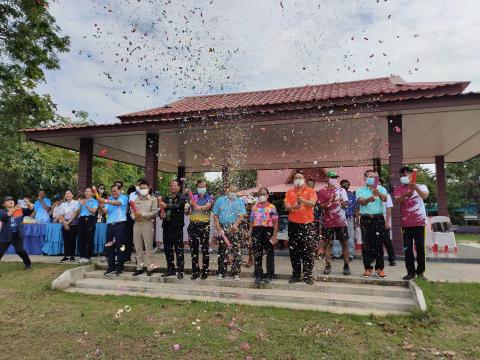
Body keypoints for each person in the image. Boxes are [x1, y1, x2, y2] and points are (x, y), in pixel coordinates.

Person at [394, 166, 429, 280]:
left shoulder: (421, 186)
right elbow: (397, 200)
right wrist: (405, 195)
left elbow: (425, 196)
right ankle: (410, 272)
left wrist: (416, 189)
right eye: (402, 176)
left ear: (412, 175)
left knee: (420, 248)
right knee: (407, 249)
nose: (403, 177)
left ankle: (420, 272)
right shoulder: (398, 188)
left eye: (406, 175)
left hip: (419, 223)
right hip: (406, 224)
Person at [284, 172, 317, 285]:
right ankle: (296, 274)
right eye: (296, 178)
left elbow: (313, 204)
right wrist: (295, 206)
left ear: (304, 179)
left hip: (307, 224)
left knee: (308, 250)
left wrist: (303, 201)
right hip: (293, 224)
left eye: (300, 178)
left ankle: (308, 275)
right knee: (294, 251)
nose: (298, 179)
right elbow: (287, 207)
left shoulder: (310, 191)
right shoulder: (289, 192)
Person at [356, 170, 388, 278]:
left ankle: (380, 269)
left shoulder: (381, 188)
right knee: (366, 244)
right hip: (366, 219)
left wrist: (378, 193)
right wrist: (369, 199)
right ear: (365, 178)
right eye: (370, 176)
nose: (372, 178)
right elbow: (361, 201)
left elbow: (385, 199)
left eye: (374, 177)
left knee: (379, 243)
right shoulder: (360, 190)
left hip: (378, 218)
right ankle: (368, 268)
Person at [317, 171, 351, 276]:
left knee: (344, 243)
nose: (334, 179)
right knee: (328, 245)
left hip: (341, 221)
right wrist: (330, 202)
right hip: (328, 222)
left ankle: (346, 265)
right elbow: (321, 207)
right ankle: (328, 265)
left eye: (335, 177)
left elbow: (346, 205)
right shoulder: (321, 191)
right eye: (332, 177)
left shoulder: (341, 190)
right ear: (327, 178)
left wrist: (342, 202)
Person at [213, 185, 246, 280]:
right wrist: (219, 229)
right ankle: (221, 272)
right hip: (222, 226)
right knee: (222, 250)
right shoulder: (220, 200)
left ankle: (236, 273)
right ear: (227, 190)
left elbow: (242, 215)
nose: (233, 193)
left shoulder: (239, 201)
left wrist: (235, 225)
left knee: (236, 250)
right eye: (231, 191)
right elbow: (215, 215)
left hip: (235, 227)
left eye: (235, 192)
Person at [249, 188, 278, 284]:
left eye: (264, 194)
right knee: (257, 253)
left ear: (268, 195)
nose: (262, 195)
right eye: (260, 194)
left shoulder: (272, 207)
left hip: (268, 231)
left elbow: (276, 223)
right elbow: (251, 222)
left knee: (269, 254)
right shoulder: (254, 207)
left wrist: (274, 236)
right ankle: (258, 274)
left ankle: (269, 274)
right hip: (256, 230)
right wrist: (250, 237)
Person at [158, 180, 187, 279]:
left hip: (177, 227)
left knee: (179, 249)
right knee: (167, 249)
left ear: (179, 187)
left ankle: (180, 270)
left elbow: (178, 206)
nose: (173, 188)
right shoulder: (166, 198)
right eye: (171, 186)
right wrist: (161, 215)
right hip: (166, 226)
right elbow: (161, 211)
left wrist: (167, 206)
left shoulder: (182, 197)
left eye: (175, 186)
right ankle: (170, 269)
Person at [99, 184, 129, 276]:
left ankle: (120, 267)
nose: (114, 193)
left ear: (120, 190)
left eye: (115, 191)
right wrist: (101, 205)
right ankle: (111, 267)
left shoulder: (124, 197)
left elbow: (118, 203)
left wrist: (105, 200)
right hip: (110, 225)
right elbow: (105, 211)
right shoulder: (110, 198)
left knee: (120, 246)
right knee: (109, 246)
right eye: (112, 191)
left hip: (120, 225)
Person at [186, 180, 213, 280]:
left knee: (205, 250)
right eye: (199, 186)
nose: (201, 188)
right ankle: (195, 271)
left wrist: (199, 207)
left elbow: (208, 206)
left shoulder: (210, 197)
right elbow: (188, 212)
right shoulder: (193, 197)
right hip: (193, 225)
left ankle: (205, 271)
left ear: (206, 187)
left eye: (203, 186)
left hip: (204, 225)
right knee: (194, 250)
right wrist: (187, 208)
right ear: (197, 187)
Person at [131, 180, 159, 277]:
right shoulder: (135, 200)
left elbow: (154, 212)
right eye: (141, 188)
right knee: (138, 247)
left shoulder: (153, 199)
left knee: (148, 247)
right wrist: (135, 217)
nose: (143, 190)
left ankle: (150, 267)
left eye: (144, 188)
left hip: (147, 224)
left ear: (149, 188)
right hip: (137, 224)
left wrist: (142, 214)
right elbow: (131, 212)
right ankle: (139, 267)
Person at [0, 197, 32, 269]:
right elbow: (4, 217)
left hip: (17, 235)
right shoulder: (2, 211)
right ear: (4, 204)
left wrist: (28, 203)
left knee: (20, 251)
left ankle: (28, 264)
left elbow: (30, 210)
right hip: (5, 236)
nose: (10, 201)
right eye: (8, 200)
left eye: (11, 200)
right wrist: (14, 210)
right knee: (0, 252)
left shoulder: (20, 210)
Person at [58, 190, 81, 263]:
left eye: (69, 194)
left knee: (72, 240)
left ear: (72, 195)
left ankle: (72, 256)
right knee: (66, 240)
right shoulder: (62, 204)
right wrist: (65, 223)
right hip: (65, 223)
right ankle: (66, 256)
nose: (68, 195)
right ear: (64, 196)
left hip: (73, 223)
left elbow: (76, 213)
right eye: (66, 194)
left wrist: (69, 222)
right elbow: (61, 215)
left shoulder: (76, 203)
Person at [77, 187, 98, 264]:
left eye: (89, 191)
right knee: (81, 238)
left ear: (92, 193)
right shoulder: (81, 201)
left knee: (89, 238)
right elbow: (78, 212)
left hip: (89, 219)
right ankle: (82, 256)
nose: (87, 193)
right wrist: (80, 204)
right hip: (81, 219)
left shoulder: (94, 201)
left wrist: (85, 204)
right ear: (84, 193)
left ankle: (88, 256)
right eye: (86, 191)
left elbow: (93, 211)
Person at [379, 179, 396, 266]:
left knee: (386, 241)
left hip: (384, 220)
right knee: (376, 241)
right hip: (374, 220)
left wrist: (387, 222)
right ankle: (376, 258)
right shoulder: (371, 195)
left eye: (379, 184)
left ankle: (392, 259)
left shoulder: (387, 196)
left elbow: (389, 209)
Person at [340, 179, 357, 261]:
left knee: (350, 235)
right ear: (340, 185)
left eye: (346, 184)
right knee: (338, 236)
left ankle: (350, 254)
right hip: (339, 217)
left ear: (349, 185)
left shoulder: (353, 195)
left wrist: (356, 218)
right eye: (343, 184)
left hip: (349, 218)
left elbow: (356, 207)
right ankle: (337, 253)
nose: (345, 185)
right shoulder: (338, 194)